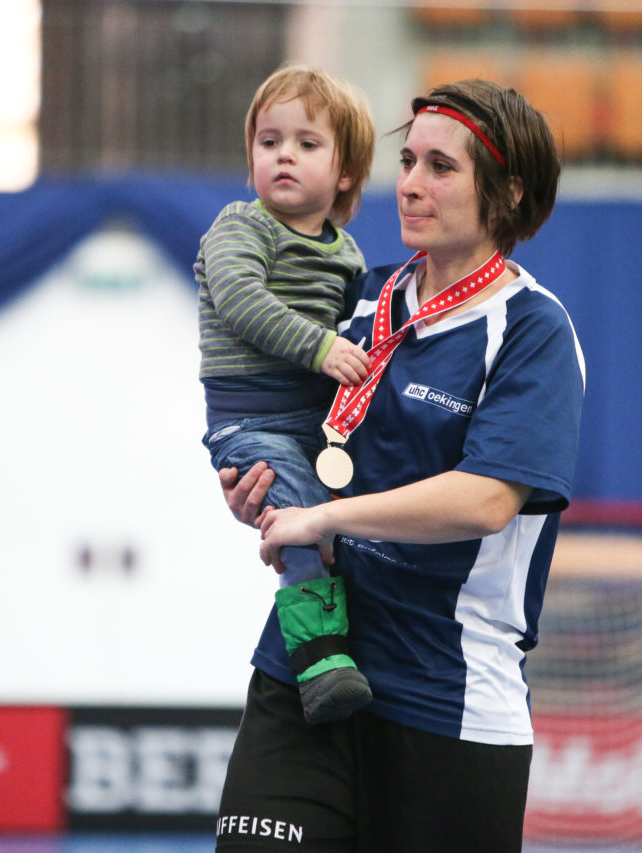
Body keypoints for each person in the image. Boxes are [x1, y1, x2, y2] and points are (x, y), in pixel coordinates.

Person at [214, 78, 585, 852]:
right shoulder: (360, 293)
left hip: (444, 694)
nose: (410, 183)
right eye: (408, 160)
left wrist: (325, 514)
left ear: (508, 192)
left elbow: (485, 500)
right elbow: (292, 426)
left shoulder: (533, 331)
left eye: (440, 167)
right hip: (314, 663)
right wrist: (259, 483)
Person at [195, 66, 377, 725]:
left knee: (343, 513)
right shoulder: (242, 228)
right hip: (252, 423)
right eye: (269, 141)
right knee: (298, 508)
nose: (283, 156)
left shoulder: (349, 255)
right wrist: (322, 348)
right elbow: (243, 301)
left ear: (347, 170)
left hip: (315, 422)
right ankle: (319, 660)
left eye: (306, 143)